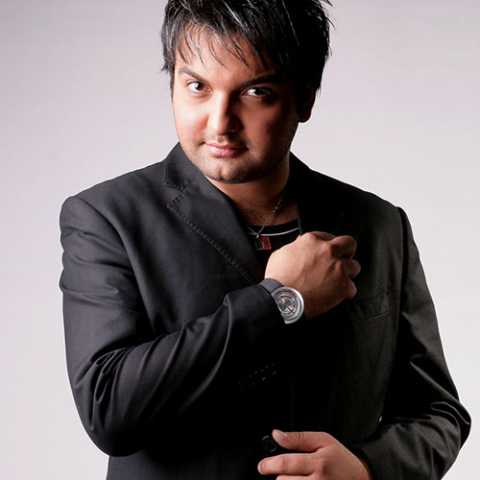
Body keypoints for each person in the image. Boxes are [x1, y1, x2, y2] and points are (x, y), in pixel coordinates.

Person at [59, 1, 470, 479]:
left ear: (305, 99)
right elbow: (108, 408)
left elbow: (439, 413)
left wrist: (366, 468)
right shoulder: (107, 218)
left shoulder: (377, 225)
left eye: (256, 93)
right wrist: (279, 302)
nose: (220, 122)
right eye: (197, 87)